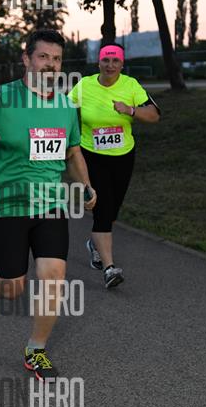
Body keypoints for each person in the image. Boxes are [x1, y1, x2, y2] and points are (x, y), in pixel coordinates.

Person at [0, 29, 96, 380]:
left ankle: (35, 349)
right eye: (43, 57)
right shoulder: (0, 99)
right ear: (26, 59)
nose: (51, 65)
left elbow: (73, 152)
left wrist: (86, 186)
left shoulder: (65, 106)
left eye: (57, 59)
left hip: (49, 203)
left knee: (53, 275)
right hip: (5, 204)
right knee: (13, 287)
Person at [68, 42, 160, 289]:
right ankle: (109, 269)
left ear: (122, 64)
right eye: (106, 60)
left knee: (112, 211)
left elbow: (154, 114)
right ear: (98, 62)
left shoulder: (130, 85)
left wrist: (130, 110)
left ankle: (94, 244)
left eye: (115, 60)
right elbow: (64, 109)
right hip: (91, 155)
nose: (110, 65)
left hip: (123, 156)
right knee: (103, 208)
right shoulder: (84, 85)